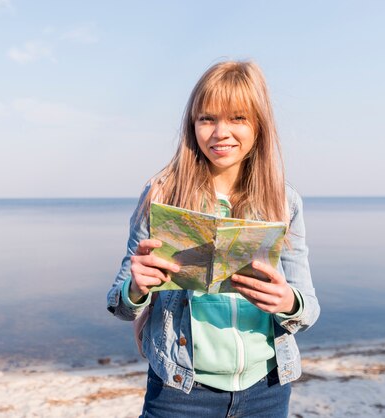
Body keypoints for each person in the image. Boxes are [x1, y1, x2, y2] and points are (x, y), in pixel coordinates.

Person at [106, 60, 320, 417]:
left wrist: (287, 301)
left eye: (238, 117)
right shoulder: (161, 194)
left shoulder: (284, 201)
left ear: (259, 126)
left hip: (267, 390)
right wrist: (137, 288)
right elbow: (119, 304)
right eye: (207, 118)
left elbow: (308, 307)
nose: (221, 132)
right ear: (193, 125)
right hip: (179, 392)